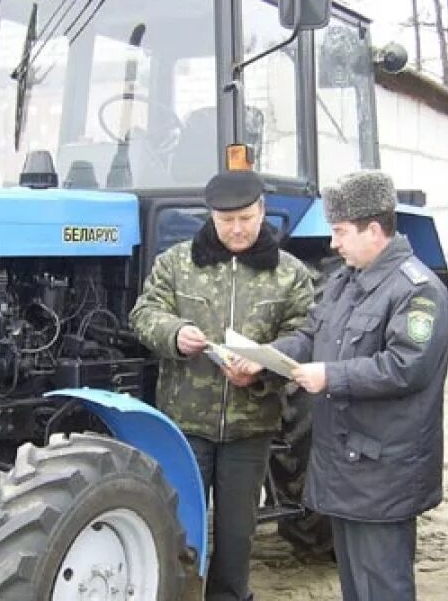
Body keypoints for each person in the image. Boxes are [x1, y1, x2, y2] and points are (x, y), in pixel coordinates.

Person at [261, 170, 448, 601]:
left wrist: (331, 375)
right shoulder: (346, 283)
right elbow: (312, 335)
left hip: (384, 469)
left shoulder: (417, 291)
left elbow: (407, 367)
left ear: (373, 230)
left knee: (383, 584)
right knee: (355, 584)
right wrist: (265, 356)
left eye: (341, 231)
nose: (333, 243)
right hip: (345, 464)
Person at [129, 170, 314, 601]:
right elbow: (144, 313)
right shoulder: (176, 263)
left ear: (262, 212)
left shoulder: (289, 274)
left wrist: (261, 366)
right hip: (186, 422)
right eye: (226, 220)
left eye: (246, 219)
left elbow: (305, 332)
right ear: (210, 217)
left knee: (236, 532)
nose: (236, 229)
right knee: (181, 523)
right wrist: (175, 333)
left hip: (251, 426)